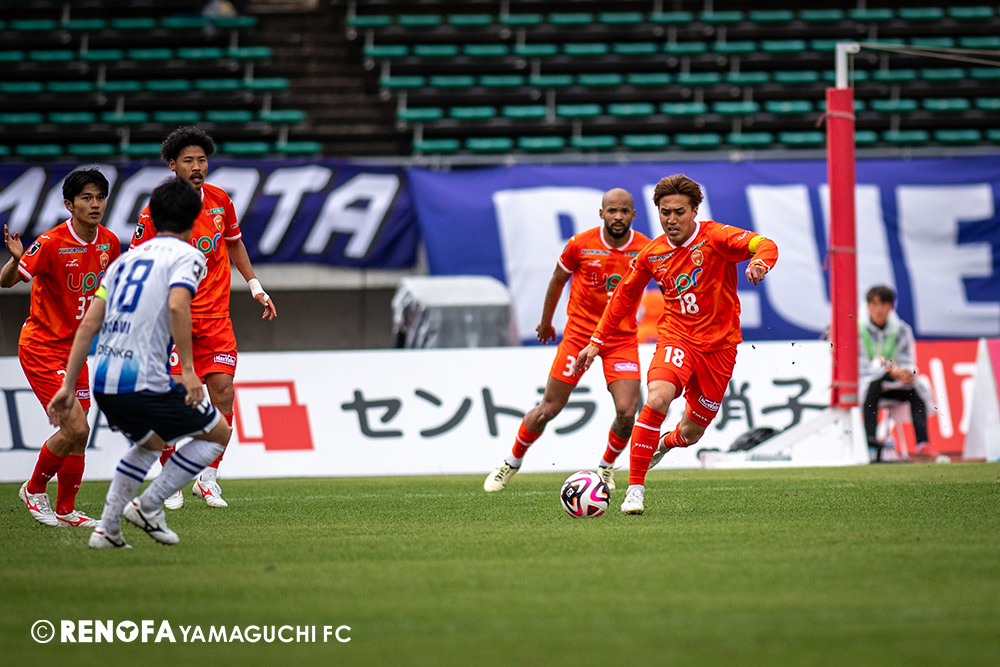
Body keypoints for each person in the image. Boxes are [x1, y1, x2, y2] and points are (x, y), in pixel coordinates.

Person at [573, 174, 778, 515]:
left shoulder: (716, 237)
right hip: (677, 338)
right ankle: (634, 490)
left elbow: (765, 244)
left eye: (679, 212)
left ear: (695, 210)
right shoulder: (653, 253)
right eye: (664, 212)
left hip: (720, 348)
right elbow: (623, 297)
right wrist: (596, 341)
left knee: (691, 432)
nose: (671, 219)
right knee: (657, 398)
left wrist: (759, 262)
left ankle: (665, 443)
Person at [48, 177, 232, 549]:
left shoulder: (124, 262)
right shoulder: (188, 256)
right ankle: (148, 505)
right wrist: (189, 372)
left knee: (150, 445)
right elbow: (178, 306)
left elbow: (89, 324)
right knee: (218, 433)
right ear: (193, 218)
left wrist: (68, 386)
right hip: (144, 380)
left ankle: (107, 530)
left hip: (105, 380)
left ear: (154, 217)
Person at [130, 126, 276, 509]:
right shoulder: (156, 211)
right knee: (177, 398)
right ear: (172, 165)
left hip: (215, 319)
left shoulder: (219, 200)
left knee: (223, 391)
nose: (197, 167)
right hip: (172, 320)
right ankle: (171, 478)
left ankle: (208, 477)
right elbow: (138, 259)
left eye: (202, 160)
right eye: (188, 161)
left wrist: (255, 285)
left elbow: (234, 244)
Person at [484, 188, 651, 492]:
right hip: (579, 336)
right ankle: (510, 462)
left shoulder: (645, 249)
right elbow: (557, 280)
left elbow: (669, 283)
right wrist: (546, 322)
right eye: (612, 211)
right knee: (549, 408)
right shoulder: (580, 244)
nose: (618, 216)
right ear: (601, 213)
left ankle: (606, 467)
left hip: (620, 339)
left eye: (624, 211)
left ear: (633, 215)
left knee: (627, 412)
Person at [2, 168, 121, 528]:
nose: (95, 204)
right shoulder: (51, 242)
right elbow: (6, 282)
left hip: (76, 351)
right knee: (76, 428)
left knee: (80, 436)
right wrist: (15, 259)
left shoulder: (110, 243)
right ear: (70, 204)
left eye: (100, 197)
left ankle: (67, 509)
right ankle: (33, 489)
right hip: (42, 347)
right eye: (87, 198)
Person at [859, 284, 936, 462]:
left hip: (894, 383)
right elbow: (861, 368)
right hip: (867, 383)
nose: (879, 309)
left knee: (918, 387)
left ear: (891, 306)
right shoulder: (858, 330)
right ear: (868, 306)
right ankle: (870, 442)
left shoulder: (901, 330)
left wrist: (907, 373)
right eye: (874, 304)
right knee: (872, 385)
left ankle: (923, 444)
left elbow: (908, 360)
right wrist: (889, 372)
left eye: (884, 304)